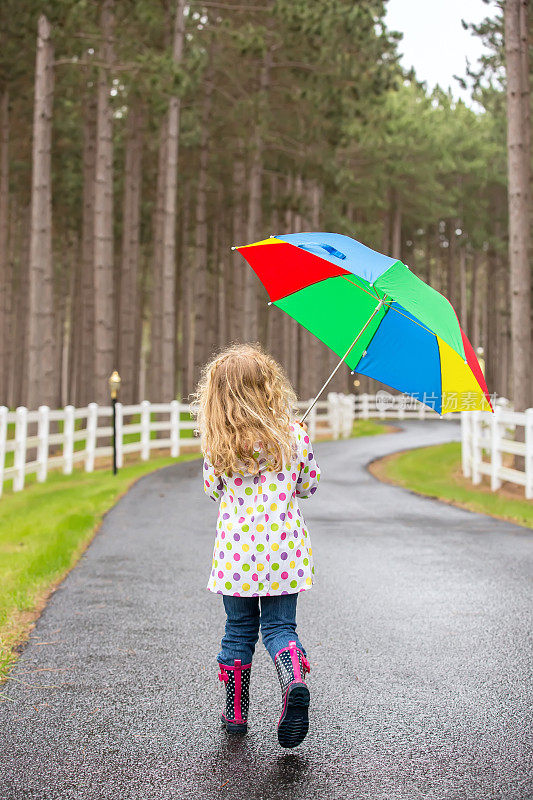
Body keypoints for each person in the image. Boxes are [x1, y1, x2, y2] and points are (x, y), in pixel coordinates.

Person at [193, 343, 321, 748]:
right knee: (281, 627)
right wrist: (296, 445)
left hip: (237, 557)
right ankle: (293, 680)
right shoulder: (292, 434)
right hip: (284, 554)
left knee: (238, 630)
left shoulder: (219, 443)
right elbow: (309, 484)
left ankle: (235, 715)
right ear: (268, 387)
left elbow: (212, 489)